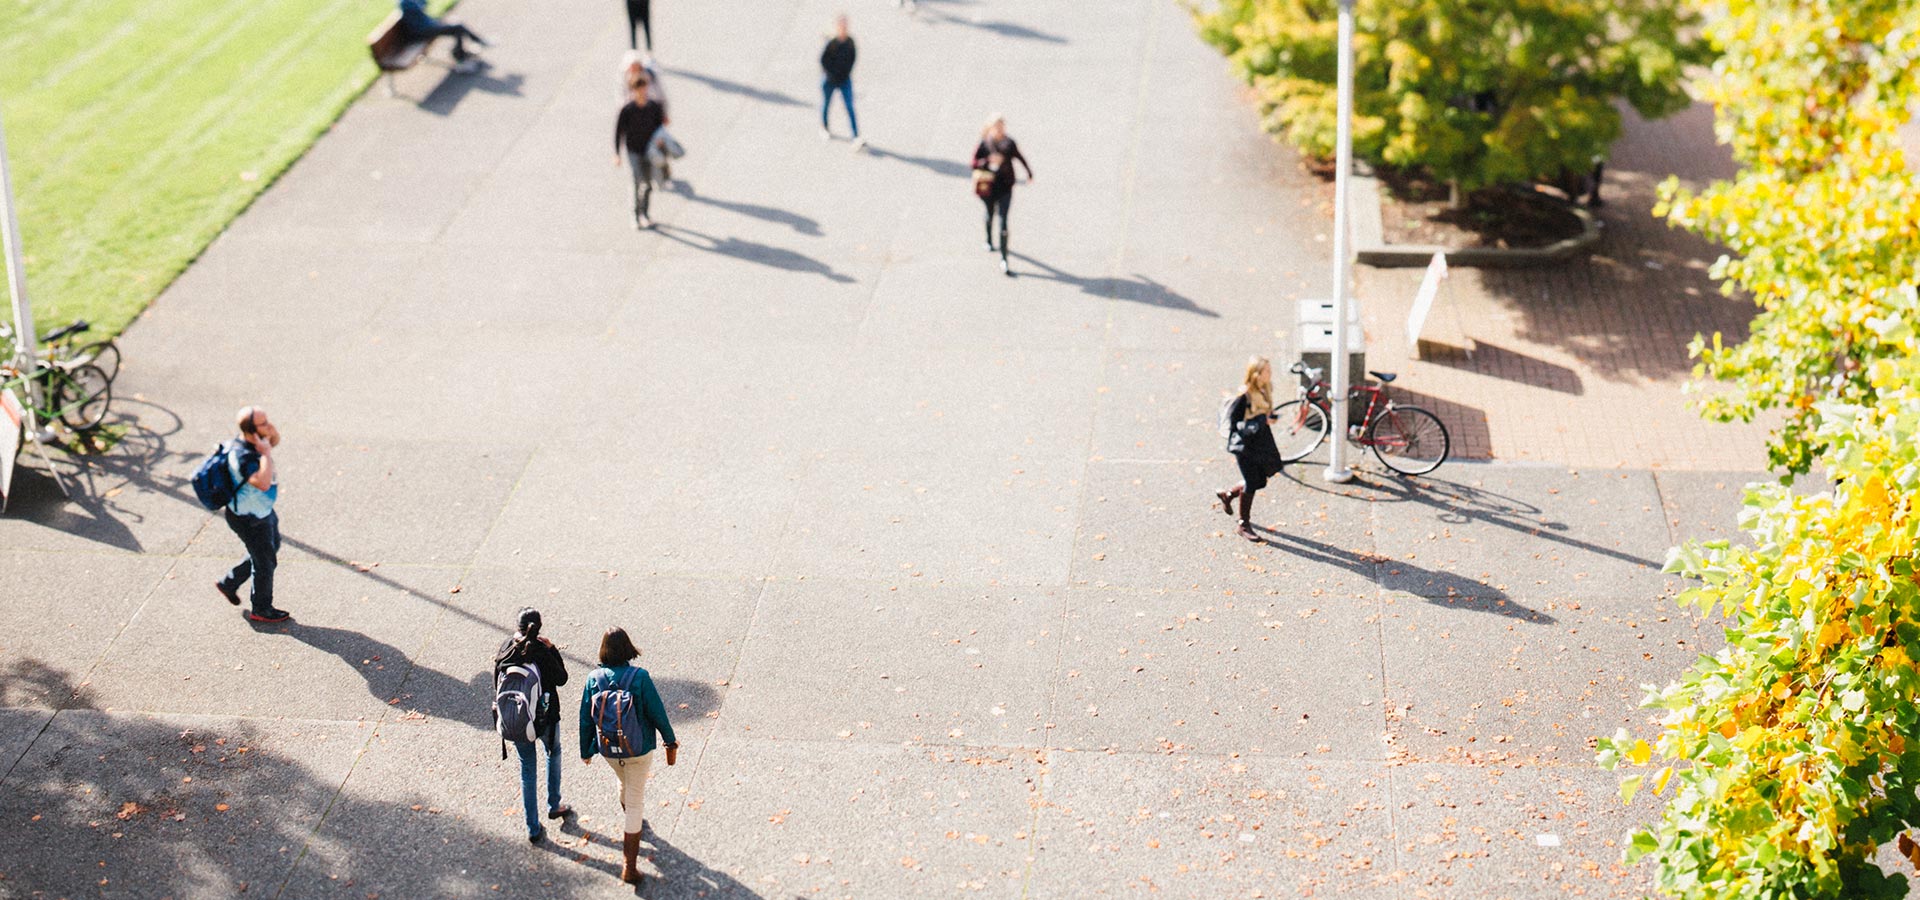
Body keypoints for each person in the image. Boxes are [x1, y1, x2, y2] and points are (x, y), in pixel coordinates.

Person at [579, 627, 678, 885]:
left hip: (609, 750)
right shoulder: (640, 677)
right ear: (628, 648)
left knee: (624, 781)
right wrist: (669, 740)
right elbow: (657, 712)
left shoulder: (593, 679)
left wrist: (586, 750)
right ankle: (629, 868)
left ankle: (631, 820)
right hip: (639, 748)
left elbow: (585, 719)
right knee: (635, 804)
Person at [496, 607, 570, 843]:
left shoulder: (506, 649)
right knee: (553, 752)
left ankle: (532, 827)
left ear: (517, 627)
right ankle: (554, 803)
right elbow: (562, 678)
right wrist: (552, 649)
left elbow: (495, 682)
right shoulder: (541, 650)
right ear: (538, 628)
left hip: (518, 719)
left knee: (527, 769)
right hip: (546, 716)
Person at [213, 407, 290, 622]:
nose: (268, 426)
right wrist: (265, 453)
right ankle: (261, 609)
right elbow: (263, 483)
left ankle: (229, 582)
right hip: (249, 519)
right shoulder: (242, 456)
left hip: (262, 512)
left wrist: (267, 434)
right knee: (265, 563)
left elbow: (274, 440)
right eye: (263, 423)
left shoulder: (253, 443)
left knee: (270, 548)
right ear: (250, 430)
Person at [1215, 356, 1285, 541]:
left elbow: (1262, 412)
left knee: (1260, 481)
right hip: (1245, 446)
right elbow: (1236, 425)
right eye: (1267, 371)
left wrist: (1268, 417)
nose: (1270, 374)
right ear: (1256, 374)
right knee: (1252, 482)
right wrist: (1263, 420)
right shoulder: (1244, 396)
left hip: (1260, 441)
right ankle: (1243, 524)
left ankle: (1228, 495)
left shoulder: (1265, 389)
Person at [971, 115, 1032, 276]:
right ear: (990, 128)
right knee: (990, 214)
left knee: (1004, 221)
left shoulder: (1008, 143)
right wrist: (988, 161)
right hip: (989, 187)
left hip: (1005, 186)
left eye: (1002, 126)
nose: (1000, 130)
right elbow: (974, 163)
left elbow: (1019, 157)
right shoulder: (984, 144)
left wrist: (1029, 173)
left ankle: (1004, 258)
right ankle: (989, 240)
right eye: (997, 127)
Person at [614, 72, 669, 229]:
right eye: (638, 89)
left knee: (648, 183)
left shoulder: (653, 107)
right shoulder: (627, 110)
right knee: (636, 181)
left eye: (643, 88)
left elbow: (660, 126)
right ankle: (635, 215)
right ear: (633, 90)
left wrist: (660, 140)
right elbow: (619, 132)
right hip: (633, 151)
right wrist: (617, 153)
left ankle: (645, 213)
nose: (641, 92)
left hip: (649, 150)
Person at [396, 0, 490, 73]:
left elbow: (424, 3)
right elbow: (421, 7)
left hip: (428, 26)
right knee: (457, 27)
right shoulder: (405, 3)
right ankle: (462, 57)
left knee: (456, 26)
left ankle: (464, 52)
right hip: (422, 31)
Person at [819, 15, 864, 150]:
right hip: (830, 80)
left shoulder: (850, 42)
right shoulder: (832, 43)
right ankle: (824, 127)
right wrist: (831, 74)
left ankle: (856, 135)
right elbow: (824, 61)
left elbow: (853, 58)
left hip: (844, 80)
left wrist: (845, 73)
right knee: (827, 104)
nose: (844, 28)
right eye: (841, 26)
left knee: (850, 107)